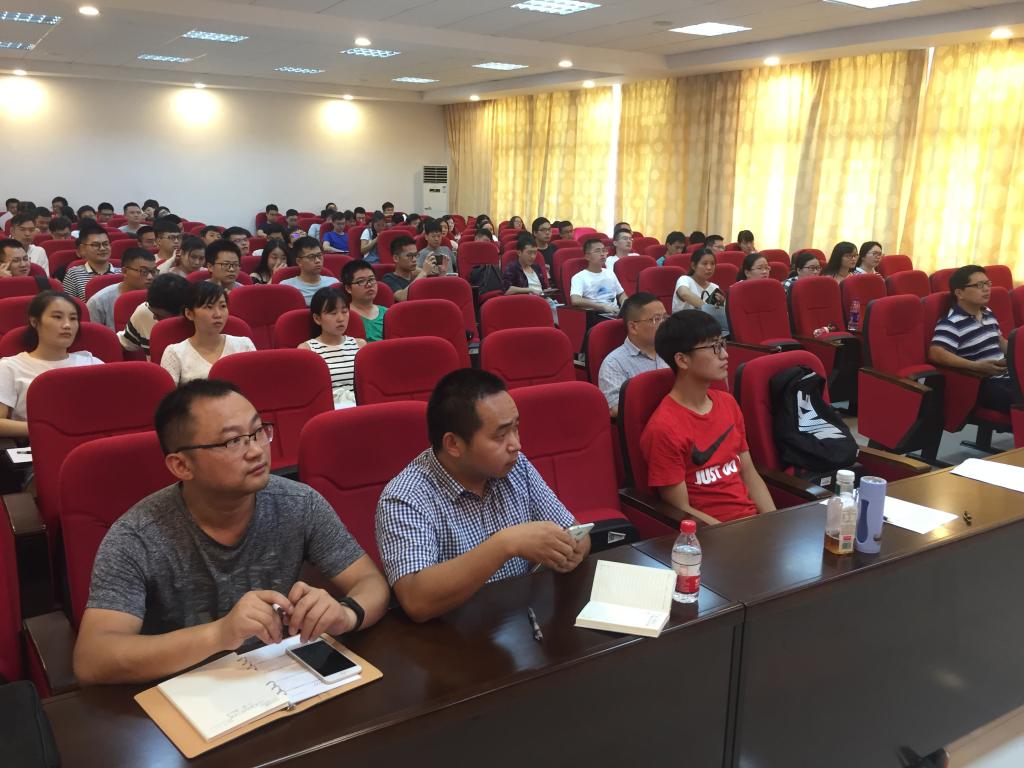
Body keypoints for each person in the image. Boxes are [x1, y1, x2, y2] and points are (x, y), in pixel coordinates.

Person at [73, 379, 389, 684]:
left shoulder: (299, 503)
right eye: (232, 441)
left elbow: (370, 582)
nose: (256, 451)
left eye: (258, 432)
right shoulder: (136, 536)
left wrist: (345, 615)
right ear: (182, 465)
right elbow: (93, 657)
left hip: (281, 677)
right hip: (187, 689)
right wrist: (219, 634)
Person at [376, 369, 589, 622]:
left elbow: (574, 531)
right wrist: (505, 544)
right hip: (452, 636)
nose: (516, 445)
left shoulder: (515, 466)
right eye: (500, 435)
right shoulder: (405, 497)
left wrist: (571, 550)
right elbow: (416, 599)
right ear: (454, 444)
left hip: (519, 622)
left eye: (516, 428)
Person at [641, 312, 775, 523]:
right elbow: (680, 509)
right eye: (714, 347)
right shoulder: (663, 427)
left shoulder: (728, 403)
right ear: (682, 360)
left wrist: (774, 522)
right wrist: (736, 534)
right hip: (710, 533)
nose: (724, 355)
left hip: (752, 525)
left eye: (722, 344)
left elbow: (749, 474)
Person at [0, 291, 105, 438]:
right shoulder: (9, 367)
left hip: (92, 440)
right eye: (57, 317)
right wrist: (52, 430)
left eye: (73, 318)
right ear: (34, 322)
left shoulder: (91, 362)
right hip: (37, 444)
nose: (67, 325)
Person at [928, 265, 1012, 413]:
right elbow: (935, 353)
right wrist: (976, 366)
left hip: (1007, 375)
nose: (986, 289)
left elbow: (999, 340)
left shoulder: (987, 312)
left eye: (988, 284)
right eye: (979, 285)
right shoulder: (952, 322)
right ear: (959, 293)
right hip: (983, 383)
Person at [160, 281, 255, 384]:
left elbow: (256, 385)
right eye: (209, 307)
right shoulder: (174, 353)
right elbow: (168, 393)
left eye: (223, 306)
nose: (218, 314)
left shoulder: (244, 345)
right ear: (189, 314)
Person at [598, 293, 669, 417]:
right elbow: (615, 408)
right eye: (656, 319)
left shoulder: (674, 351)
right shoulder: (614, 363)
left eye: (665, 318)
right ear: (633, 327)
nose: (664, 324)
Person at [299, 286, 366, 408]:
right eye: (333, 313)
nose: (341, 318)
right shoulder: (306, 350)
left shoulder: (360, 345)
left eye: (344, 311)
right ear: (317, 319)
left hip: (360, 408)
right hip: (327, 410)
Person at [120, 274, 190, 358]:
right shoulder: (145, 312)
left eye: (160, 316)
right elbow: (123, 342)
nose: (154, 317)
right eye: (153, 313)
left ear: (184, 312)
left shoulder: (199, 322)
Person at [87, 247, 156, 330]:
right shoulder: (98, 302)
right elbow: (94, 335)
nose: (150, 277)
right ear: (124, 271)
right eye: (143, 271)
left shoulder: (159, 296)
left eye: (153, 271)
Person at [672, 248, 728, 334]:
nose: (709, 267)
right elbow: (684, 293)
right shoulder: (685, 280)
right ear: (693, 266)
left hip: (706, 330)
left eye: (712, 264)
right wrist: (708, 309)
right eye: (705, 264)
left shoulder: (714, 287)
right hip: (683, 328)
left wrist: (722, 304)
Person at [569, 238, 624, 314]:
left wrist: (625, 305)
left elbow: (621, 294)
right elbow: (575, 300)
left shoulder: (610, 272)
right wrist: (602, 307)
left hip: (615, 312)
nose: (602, 254)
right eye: (597, 251)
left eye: (604, 250)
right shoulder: (579, 277)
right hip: (596, 314)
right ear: (587, 256)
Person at [63, 226, 120, 299]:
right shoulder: (74, 274)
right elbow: (67, 303)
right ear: (82, 249)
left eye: (105, 244)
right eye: (96, 245)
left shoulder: (122, 274)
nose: (102, 248)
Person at [280, 236, 338, 305]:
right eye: (311, 257)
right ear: (299, 261)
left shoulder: (333, 283)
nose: (317, 261)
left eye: (319, 255)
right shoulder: (286, 287)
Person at [381, 235, 440, 301]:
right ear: (396, 258)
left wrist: (442, 272)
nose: (414, 259)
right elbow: (402, 297)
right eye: (409, 256)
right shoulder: (389, 278)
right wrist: (423, 273)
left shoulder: (418, 274)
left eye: (415, 255)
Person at [342, 259, 387, 342]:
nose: (369, 284)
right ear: (348, 288)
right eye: (361, 281)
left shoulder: (388, 313)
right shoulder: (343, 316)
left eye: (371, 279)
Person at [502, 232, 552, 298]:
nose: (533, 256)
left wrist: (548, 290)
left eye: (535, 253)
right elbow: (507, 290)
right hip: (526, 301)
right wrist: (530, 290)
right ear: (519, 253)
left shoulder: (536, 267)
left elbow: (544, 288)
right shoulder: (512, 268)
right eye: (529, 253)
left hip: (543, 299)